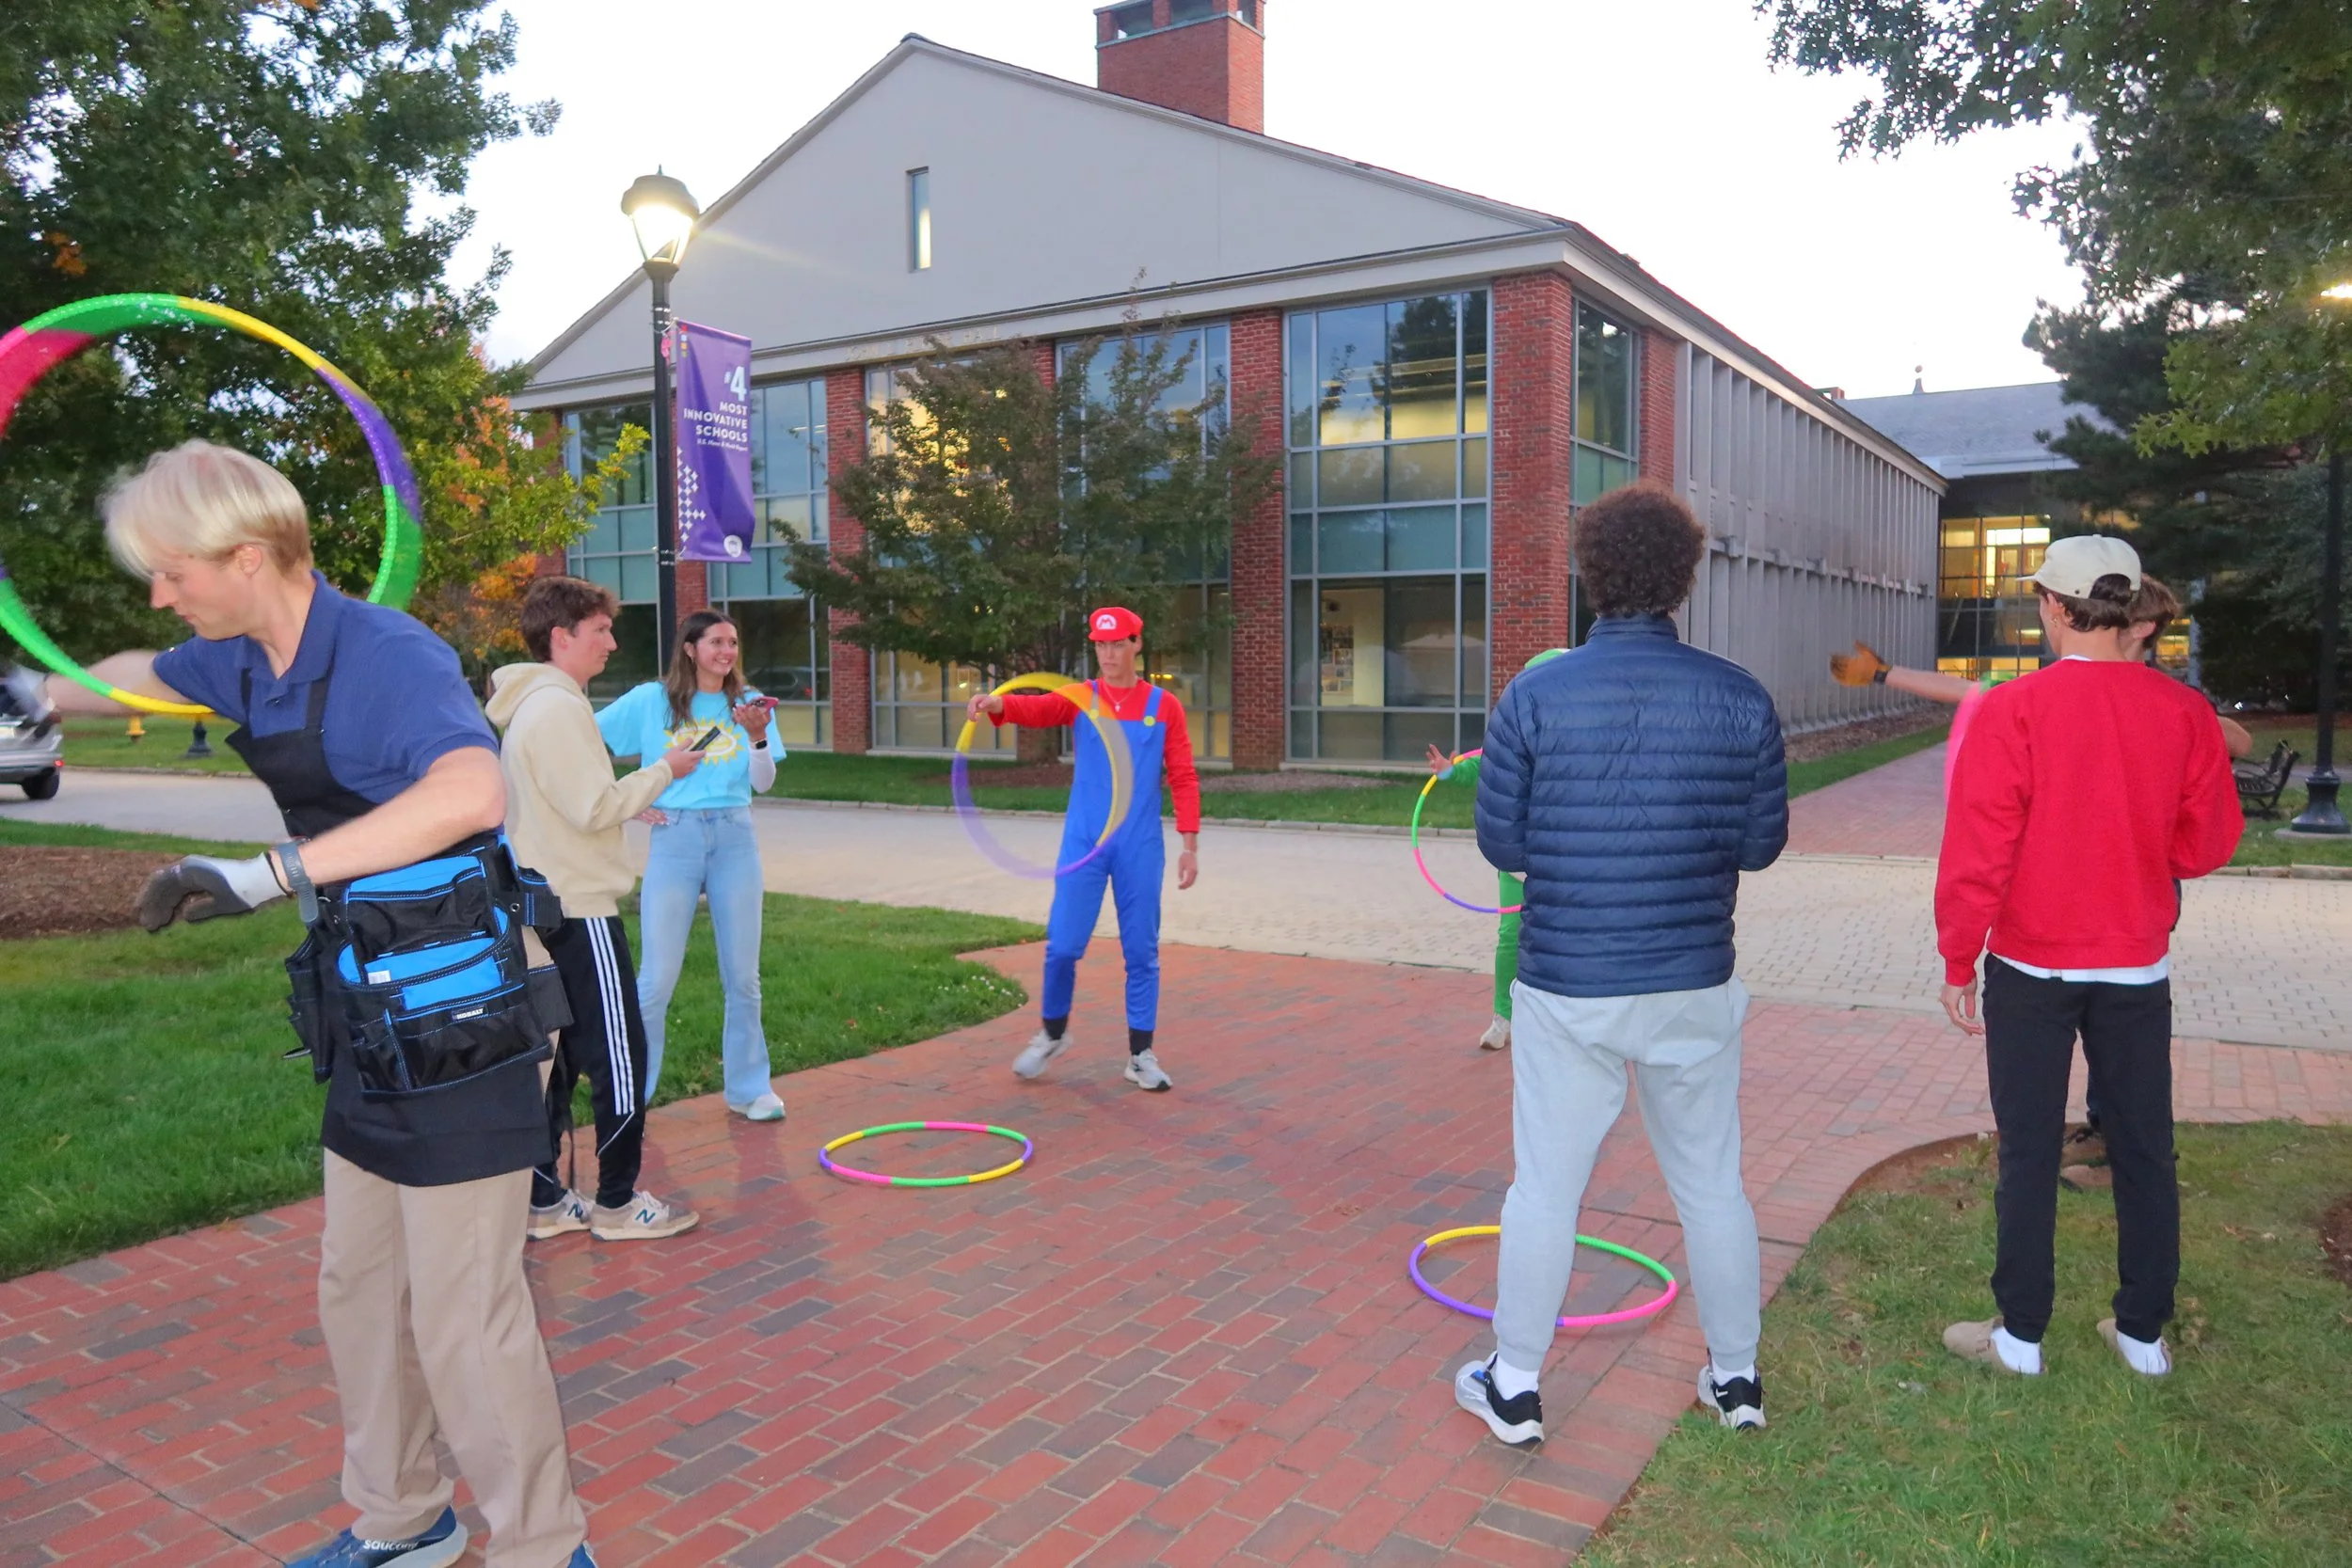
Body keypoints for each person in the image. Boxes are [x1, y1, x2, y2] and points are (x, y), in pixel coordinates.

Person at [45, 442, 595, 1567]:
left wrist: (270, 872)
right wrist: (30, 687)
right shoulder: (236, 654)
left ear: (248, 555)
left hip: (463, 1012)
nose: (160, 593)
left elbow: (469, 789)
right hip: (365, 1009)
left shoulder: (388, 652)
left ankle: (545, 1549)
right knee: (360, 1285)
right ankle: (407, 1521)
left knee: (465, 1315)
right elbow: (126, 671)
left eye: (171, 569)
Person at [1455, 484, 1788, 1447]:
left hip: (1569, 984)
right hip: (1692, 975)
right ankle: (1735, 1377)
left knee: (1545, 1188)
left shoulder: (1532, 696)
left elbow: (1502, 843)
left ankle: (1514, 1382)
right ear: (1681, 575)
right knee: (1711, 1184)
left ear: (1587, 573)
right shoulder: (1738, 697)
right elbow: (1759, 845)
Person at [1934, 534, 2241, 1380]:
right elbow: (2209, 839)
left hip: (2033, 966)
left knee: (2028, 1148)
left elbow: (1977, 851)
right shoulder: (2184, 713)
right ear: (2129, 608)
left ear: (2055, 608)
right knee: (2144, 1146)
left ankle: (2021, 1336)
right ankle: (2142, 1332)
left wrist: (1959, 957)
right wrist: (2143, 853)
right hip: (2136, 963)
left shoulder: (2012, 709)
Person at [487, 576, 703, 1243]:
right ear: (562, 636)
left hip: (543, 901)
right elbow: (594, 806)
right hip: (577, 906)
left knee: (551, 1052)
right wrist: (666, 769)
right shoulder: (557, 707)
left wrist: (630, 797)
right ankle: (615, 1201)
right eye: (601, 629)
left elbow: (572, 802)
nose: (612, 640)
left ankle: (546, 1199)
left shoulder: (537, 704)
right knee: (618, 1051)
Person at [964, 605, 1201, 1092]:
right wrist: (997, 705)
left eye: (1118, 643)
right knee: (1064, 944)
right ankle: (1052, 1033)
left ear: (1137, 643)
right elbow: (1036, 708)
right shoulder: (1081, 697)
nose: (1108, 653)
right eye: (1100, 643)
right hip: (1084, 842)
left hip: (1139, 845)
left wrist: (1189, 844)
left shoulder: (1165, 706)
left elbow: (1182, 774)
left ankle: (1140, 1055)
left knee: (1142, 952)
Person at [595, 610, 784, 1119]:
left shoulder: (748, 704)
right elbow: (585, 742)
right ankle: (633, 1091)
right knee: (656, 979)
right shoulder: (650, 701)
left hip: (734, 835)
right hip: (675, 837)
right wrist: (628, 799)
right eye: (716, 642)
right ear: (690, 648)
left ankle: (750, 1089)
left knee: (743, 977)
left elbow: (762, 782)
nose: (727, 652)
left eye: (733, 643)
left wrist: (759, 736)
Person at [1422, 648, 1568, 1052]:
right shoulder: (1517, 730)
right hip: (1520, 859)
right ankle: (1503, 1017)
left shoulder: (1578, 736)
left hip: (1565, 858)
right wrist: (1450, 772)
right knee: (1510, 935)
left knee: (1560, 936)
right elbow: (1484, 766)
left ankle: (1558, 1019)